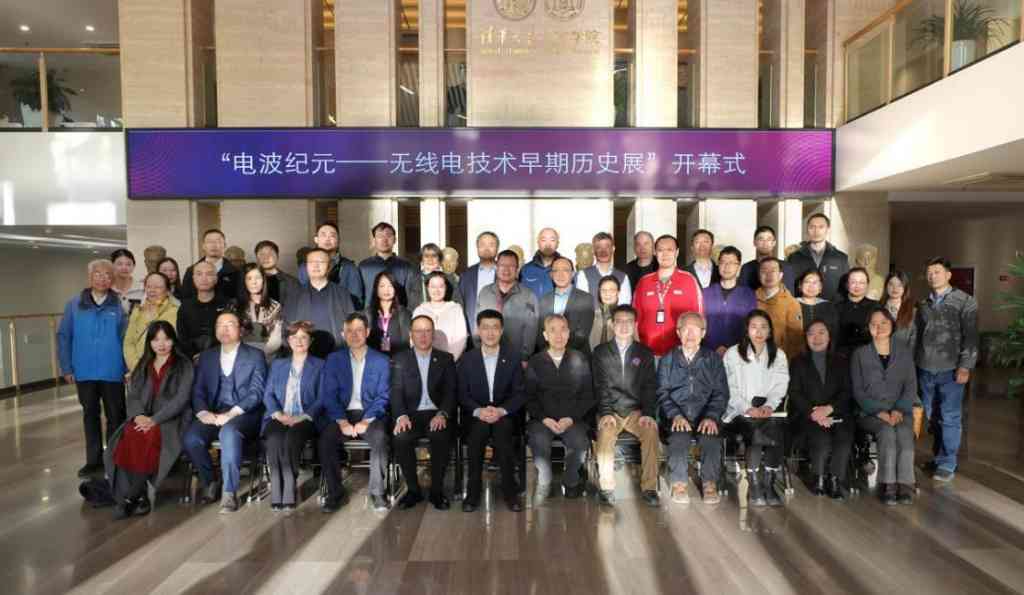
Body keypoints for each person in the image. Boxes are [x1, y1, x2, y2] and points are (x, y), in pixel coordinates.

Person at [105, 320, 193, 519]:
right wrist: (138, 416)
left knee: (148, 435)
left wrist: (154, 420)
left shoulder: (184, 365)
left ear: (173, 340)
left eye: (166, 339)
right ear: (149, 343)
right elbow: (133, 396)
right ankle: (141, 496)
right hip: (143, 417)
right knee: (129, 434)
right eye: (156, 340)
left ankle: (131, 497)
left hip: (171, 420)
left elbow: (181, 399)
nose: (161, 344)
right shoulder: (144, 364)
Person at [182, 311, 268, 513]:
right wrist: (203, 412)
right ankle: (211, 481)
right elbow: (198, 390)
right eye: (220, 325)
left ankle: (229, 493)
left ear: (241, 330)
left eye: (230, 324)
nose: (224, 329)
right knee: (192, 439)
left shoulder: (255, 355)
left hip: (244, 414)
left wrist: (231, 414)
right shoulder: (207, 357)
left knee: (228, 432)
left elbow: (257, 392)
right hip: (214, 412)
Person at [57, 259, 128, 478]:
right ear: (90, 277)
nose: (102, 278)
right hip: (84, 370)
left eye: (107, 275)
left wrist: (128, 368)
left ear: (112, 279)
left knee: (116, 416)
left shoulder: (120, 305)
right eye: (98, 274)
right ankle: (93, 461)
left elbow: (126, 338)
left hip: (113, 369)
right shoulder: (74, 304)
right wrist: (67, 367)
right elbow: (64, 336)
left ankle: (115, 460)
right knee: (90, 415)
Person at [319, 313, 392, 512]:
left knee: (379, 438)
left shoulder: (381, 360)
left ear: (367, 332)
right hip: (342, 414)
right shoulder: (334, 360)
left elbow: (384, 395)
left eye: (359, 330)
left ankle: (377, 492)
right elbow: (329, 395)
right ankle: (335, 494)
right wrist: (342, 421)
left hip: (371, 414)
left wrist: (366, 420)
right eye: (349, 331)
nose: (354, 335)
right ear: (343, 334)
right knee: (326, 440)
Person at [915, 257, 978, 483]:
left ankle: (948, 463)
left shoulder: (965, 301)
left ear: (948, 275)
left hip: (951, 370)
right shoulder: (923, 304)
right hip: (925, 369)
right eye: (929, 272)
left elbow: (971, 337)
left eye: (937, 272)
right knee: (932, 417)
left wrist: (965, 366)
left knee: (949, 416)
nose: (933, 276)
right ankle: (938, 457)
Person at [457, 309, 527, 512]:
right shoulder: (467, 360)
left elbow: (520, 393)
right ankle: (473, 492)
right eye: (485, 327)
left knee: (504, 434)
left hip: (504, 414)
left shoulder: (512, 358)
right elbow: (462, 394)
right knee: (477, 434)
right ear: (478, 331)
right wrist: (479, 411)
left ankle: (510, 492)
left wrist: (501, 411)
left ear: (501, 330)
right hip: (476, 414)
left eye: (495, 327)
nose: (490, 332)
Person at [656, 312, 728, 505]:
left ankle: (709, 483)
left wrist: (711, 416)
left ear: (703, 333)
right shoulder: (667, 359)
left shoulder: (713, 359)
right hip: (676, 416)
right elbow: (662, 392)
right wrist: (675, 415)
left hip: (705, 416)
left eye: (695, 329)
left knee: (711, 438)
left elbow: (721, 393)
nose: (690, 334)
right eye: (686, 329)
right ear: (678, 332)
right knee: (678, 438)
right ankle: (679, 483)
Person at [592, 305, 661, 507]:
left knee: (650, 431)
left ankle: (649, 488)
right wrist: (606, 412)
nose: (624, 326)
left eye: (629, 321)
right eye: (619, 321)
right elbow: (600, 385)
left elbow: (650, 387)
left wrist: (648, 413)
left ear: (635, 325)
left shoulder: (644, 353)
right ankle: (606, 488)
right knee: (605, 432)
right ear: (612, 325)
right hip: (611, 410)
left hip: (635, 412)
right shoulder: (601, 352)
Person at [723, 310, 790, 507]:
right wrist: (748, 408)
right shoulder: (733, 353)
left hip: (768, 410)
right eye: (754, 327)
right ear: (747, 330)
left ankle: (768, 483)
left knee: (776, 428)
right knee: (756, 429)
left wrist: (769, 405)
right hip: (738, 411)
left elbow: (780, 385)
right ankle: (753, 484)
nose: (759, 332)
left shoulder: (778, 355)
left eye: (763, 327)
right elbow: (729, 388)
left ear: (770, 331)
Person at [525, 314, 595, 501]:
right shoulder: (536, 361)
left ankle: (571, 480)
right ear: (545, 335)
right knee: (538, 440)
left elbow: (588, 395)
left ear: (569, 333)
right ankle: (545, 481)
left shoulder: (579, 359)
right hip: (543, 420)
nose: (558, 335)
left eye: (563, 329)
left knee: (579, 443)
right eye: (553, 330)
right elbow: (529, 397)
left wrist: (570, 418)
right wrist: (544, 418)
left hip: (572, 419)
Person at [391, 315, 457, 510]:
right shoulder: (400, 359)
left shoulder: (445, 359)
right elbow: (396, 391)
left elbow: (451, 391)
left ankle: (437, 491)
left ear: (433, 334)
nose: (423, 335)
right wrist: (401, 416)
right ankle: (413, 491)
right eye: (418, 331)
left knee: (440, 434)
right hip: (410, 414)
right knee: (401, 437)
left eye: (427, 331)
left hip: (436, 413)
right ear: (411, 334)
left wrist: (443, 413)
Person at [852, 308, 918, 505]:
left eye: (884, 323)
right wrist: (878, 411)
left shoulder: (904, 352)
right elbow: (858, 391)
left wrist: (898, 409)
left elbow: (911, 386)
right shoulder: (860, 354)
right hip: (870, 413)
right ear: (868, 327)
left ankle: (905, 484)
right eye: (874, 324)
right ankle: (887, 484)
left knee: (904, 433)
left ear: (892, 325)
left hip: (900, 411)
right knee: (887, 432)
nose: (879, 327)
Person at [261, 321, 324, 512]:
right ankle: (276, 487)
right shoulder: (278, 364)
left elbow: (323, 397)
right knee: (274, 439)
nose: (299, 341)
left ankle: (289, 485)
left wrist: (302, 417)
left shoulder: (321, 365)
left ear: (310, 341)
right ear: (288, 341)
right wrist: (278, 414)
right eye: (294, 337)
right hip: (279, 415)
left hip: (305, 418)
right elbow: (268, 394)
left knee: (292, 438)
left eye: (304, 337)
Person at [787, 320, 854, 500]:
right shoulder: (798, 362)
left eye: (821, 332)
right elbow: (794, 392)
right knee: (821, 438)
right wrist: (814, 413)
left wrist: (829, 409)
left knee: (843, 437)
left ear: (829, 336)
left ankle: (836, 479)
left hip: (836, 413)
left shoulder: (841, 361)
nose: (816, 338)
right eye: (811, 333)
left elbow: (847, 391)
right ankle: (819, 478)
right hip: (807, 415)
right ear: (806, 338)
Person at [633, 234, 704, 357]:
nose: (665, 254)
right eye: (660, 250)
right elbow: (634, 319)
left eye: (670, 250)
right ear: (655, 253)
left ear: (677, 252)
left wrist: (690, 352)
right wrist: (639, 350)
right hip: (647, 354)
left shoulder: (688, 280)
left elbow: (699, 318)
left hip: (679, 354)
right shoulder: (644, 282)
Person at [282, 248, 356, 358]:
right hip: (304, 356)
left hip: (336, 354)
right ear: (306, 267)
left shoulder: (342, 293)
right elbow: (287, 327)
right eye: (311, 262)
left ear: (329, 266)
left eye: (321, 262)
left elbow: (352, 325)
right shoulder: (295, 294)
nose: (316, 266)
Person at [476, 249, 540, 365]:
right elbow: (477, 324)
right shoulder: (485, 292)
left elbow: (531, 330)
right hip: (487, 355)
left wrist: (525, 357)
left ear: (517, 269)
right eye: (502, 265)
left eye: (511, 266)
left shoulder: (528, 296)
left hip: (516, 359)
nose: (506, 269)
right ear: (496, 267)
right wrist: (478, 349)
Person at [703, 246, 757, 354]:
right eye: (723, 262)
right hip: (709, 352)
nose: (726, 267)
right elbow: (700, 323)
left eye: (731, 263)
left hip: (738, 353)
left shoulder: (748, 294)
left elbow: (751, 326)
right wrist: (715, 346)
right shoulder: (705, 293)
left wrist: (733, 350)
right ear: (718, 265)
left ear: (739, 267)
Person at [297, 223, 365, 309]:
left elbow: (357, 302)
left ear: (338, 240)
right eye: (323, 235)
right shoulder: (304, 267)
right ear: (316, 239)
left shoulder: (350, 267)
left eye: (332, 235)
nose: (327, 239)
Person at [536, 257, 594, 354]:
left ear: (573, 274)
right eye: (556, 271)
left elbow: (582, 335)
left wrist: (561, 354)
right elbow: (540, 334)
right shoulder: (543, 300)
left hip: (577, 357)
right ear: (551, 275)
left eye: (565, 270)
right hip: (548, 357)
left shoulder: (586, 299)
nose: (560, 274)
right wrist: (550, 354)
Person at [123, 272, 179, 372]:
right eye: (148, 286)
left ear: (167, 290)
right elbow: (128, 342)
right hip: (138, 370)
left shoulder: (175, 312)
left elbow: (174, 344)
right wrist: (136, 367)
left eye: (157, 287)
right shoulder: (138, 310)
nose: (152, 290)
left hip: (165, 370)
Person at [786, 214, 849, 302]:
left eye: (821, 227)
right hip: (802, 306)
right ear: (807, 230)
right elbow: (789, 286)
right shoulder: (794, 258)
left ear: (828, 230)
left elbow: (845, 287)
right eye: (812, 227)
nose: (816, 231)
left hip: (833, 307)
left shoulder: (841, 258)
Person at [176, 261, 231, 360]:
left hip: (222, 358)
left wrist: (208, 356)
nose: (204, 278)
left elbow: (230, 336)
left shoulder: (227, 305)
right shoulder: (185, 307)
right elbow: (182, 338)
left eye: (209, 274)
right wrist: (193, 356)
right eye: (199, 274)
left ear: (216, 279)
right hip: (190, 360)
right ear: (193, 278)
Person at [412, 271, 469, 360]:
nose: (437, 290)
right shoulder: (419, 310)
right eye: (433, 287)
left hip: (451, 361)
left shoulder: (455, 309)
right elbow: (414, 339)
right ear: (427, 288)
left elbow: (461, 339)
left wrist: (449, 360)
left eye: (441, 286)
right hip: (424, 361)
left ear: (446, 288)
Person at [754, 257, 804, 359]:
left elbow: (796, 340)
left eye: (773, 271)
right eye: (764, 271)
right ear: (759, 276)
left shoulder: (791, 303)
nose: (768, 275)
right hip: (754, 358)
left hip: (779, 360)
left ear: (781, 275)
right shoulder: (750, 299)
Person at [358, 222, 414, 308]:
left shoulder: (406, 266)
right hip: (370, 313)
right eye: (380, 236)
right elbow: (359, 297)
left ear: (395, 240)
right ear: (374, 240)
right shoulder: (364, 266)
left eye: (388, 236)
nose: (384, 240)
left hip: (399, 313)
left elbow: (411, 296)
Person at [237, 264, 283, 360]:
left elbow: (277, 338)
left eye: (257, 278)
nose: (254, 282)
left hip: (268, 357)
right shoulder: (235, 306)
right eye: (249, 278)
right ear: (244, 282)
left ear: (263, 280)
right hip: (242, 358)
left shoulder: (275, 306)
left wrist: (260, 355)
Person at [181, 229, 241, 302]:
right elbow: (185, 298)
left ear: (225, 245)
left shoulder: (236, 272)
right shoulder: (191, 270)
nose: (214, 245)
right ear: (203, 246)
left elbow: (239, 298)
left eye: (218, 242)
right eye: (209, 242)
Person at [458, 231, 500, 335]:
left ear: (497, 248)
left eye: (491, 244)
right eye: (482, 244)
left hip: (498, 331)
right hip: (473, 332)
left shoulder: (505, 273)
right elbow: (460, 304)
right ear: (477, 247)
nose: (486, 248)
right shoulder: (466, 275)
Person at [576, 232, 632, 307]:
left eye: (607, 247)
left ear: (613, 249)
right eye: (599, 247)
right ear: (593, 251)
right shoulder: (583, 275)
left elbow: (624, 307)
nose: (603, 251)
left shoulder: (623, 277)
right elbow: (583, 305)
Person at [835, 268, 879, 358]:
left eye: (861, 283)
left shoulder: (876, 307)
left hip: (869, 356)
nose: (857, 286)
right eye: (853, 282)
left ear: (867, 285)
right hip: (842, 357)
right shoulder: (837, 307)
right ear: (847, 285)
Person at [739, 226, 796, 294]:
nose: (765, 243)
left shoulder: (786, 267)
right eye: (761, 239)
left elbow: (789, 295)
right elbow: (741, 295)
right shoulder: (746, 268)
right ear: (754, 242)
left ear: (774, 243)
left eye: (769, 239)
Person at [366, 271, 412, 356]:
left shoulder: (404, 313)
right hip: (374, 360)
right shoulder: (368, 313)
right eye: (382, 286)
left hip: (398, 359)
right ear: (376, 289)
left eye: (390, 286)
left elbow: (406, 343)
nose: (386, 290)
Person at [407, 243, 463, 311]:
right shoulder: (414, 279)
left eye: (434, 256)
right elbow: (410, 306)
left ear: (439, 260)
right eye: (426, 256)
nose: (430, 259)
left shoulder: (450, 279)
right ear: (421, 260)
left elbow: (458, 304)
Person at [519, 227, 563, 298]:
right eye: (543, 240)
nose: (548, 244)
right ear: (538, 243)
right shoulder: (525, 269)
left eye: (552, 240)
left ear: (558, 244)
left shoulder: (566, 268)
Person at [795, 269, 839, 339]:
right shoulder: (791, 305)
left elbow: (834, 332)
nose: (811, 286)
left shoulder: (829, 306)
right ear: (800, 285)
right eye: (807, 282)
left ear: (820, 287)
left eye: (815, 283)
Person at [255, 240, 299, 305]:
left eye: (270, 253)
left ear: (277, 256)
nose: (266, 257)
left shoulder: (292, 283)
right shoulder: (251, 281)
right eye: (261, 254)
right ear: (256, 258)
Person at [882, 271, 917, 354]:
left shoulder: (913, 312)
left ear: (905, 288)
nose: (895, 288)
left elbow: (914, 340)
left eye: (900, 285)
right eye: (891, 284)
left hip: (903, 357)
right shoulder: (877, 308)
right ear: (886, 286)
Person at [589, 275, 625, 350]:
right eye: (603, 290)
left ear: (618, 292)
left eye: (611, 290)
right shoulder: (592, 315)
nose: (607, 293)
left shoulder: (626, 316)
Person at [111, 248, 145, 314]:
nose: (124, 267)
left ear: (133, 266)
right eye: (119, 264)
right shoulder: (107, 289)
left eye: (128, 264)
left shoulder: (142, 288)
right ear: (112, 265)